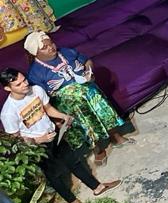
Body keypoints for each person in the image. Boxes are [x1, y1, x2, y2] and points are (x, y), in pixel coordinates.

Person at [1, 69, 120, 203]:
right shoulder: (8, 113)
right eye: (18, 84)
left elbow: (47, 108)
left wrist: (63, 116)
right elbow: (16, 139)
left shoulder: (36, 90)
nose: (25, 84)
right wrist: (38, 140)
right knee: (54, 175)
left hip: (53, 134)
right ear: (7, 88)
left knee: (73, 161)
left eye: (24, 80)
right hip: (37, 147)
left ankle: (97, 187)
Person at [24, 31, 131, 163]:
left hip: (91, 93)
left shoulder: (66, 52)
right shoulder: (35, 74)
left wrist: (88, 72)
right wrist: (56, 119)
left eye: (51, 43)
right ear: (35, 53)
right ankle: (97, 150)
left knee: (104, 112)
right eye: (44, 47)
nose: (51, 47)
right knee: (85, 126)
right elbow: (42, 100)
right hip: (71, 106)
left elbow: (87, 61)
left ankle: (115, 137)